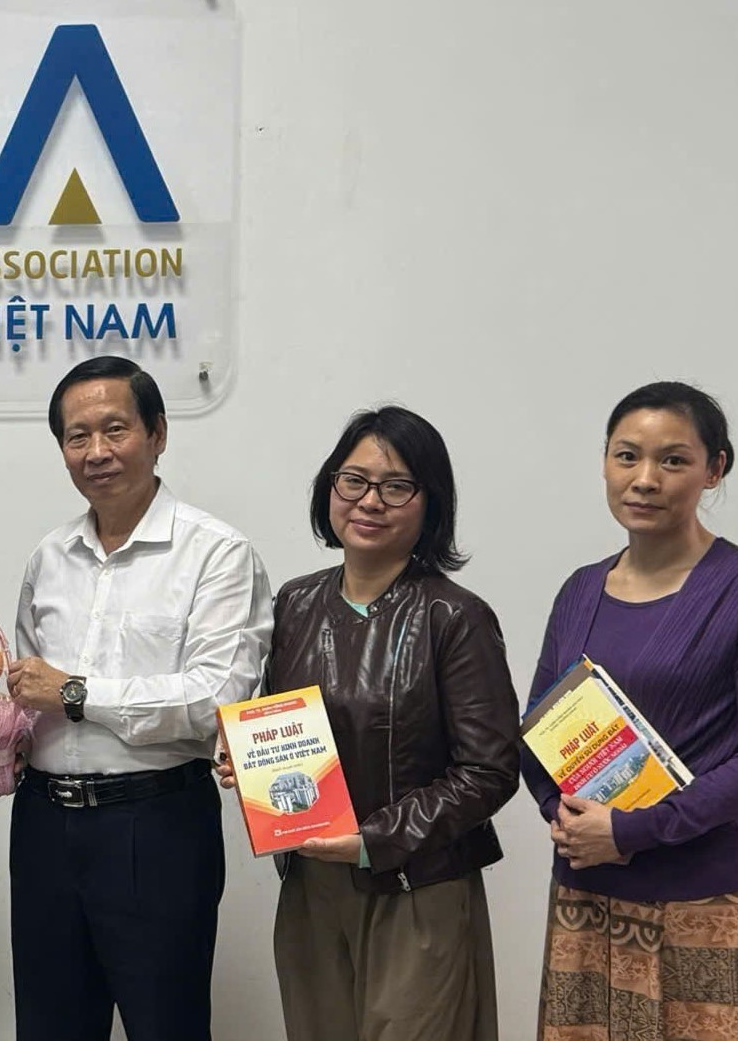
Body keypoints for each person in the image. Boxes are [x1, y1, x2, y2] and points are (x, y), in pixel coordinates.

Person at [223, 406, 520, 1041]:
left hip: (415, 885)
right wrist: (245, 760)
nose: (370, 501)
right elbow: (280, 724)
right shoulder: (295, 603)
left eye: (397, 486)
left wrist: (372, 839)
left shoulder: (454, 617)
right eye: (353, 480)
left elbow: (489, 771)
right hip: (311, 887)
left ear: (430, 503)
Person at [524, 382, 738, 1040]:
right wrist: (567, 819)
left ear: (715, 469)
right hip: (586, 894)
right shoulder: (579, 590)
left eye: (672, 460)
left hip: (701, 899)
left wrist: (631, 831)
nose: (644, 479)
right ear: (605, 462)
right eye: (626, 456)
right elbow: (539, 729)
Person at [4, 356, 271, 1041]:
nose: (96, 451)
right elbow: (28, 692)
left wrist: (75, 693)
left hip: (156, 826)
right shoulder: (48, 557)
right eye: (77, 436)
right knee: (50, 1027)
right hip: (43, 826)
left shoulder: (216, 553)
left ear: (157, 434)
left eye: (114, 429)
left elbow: (214, 696)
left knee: (165, 1024)